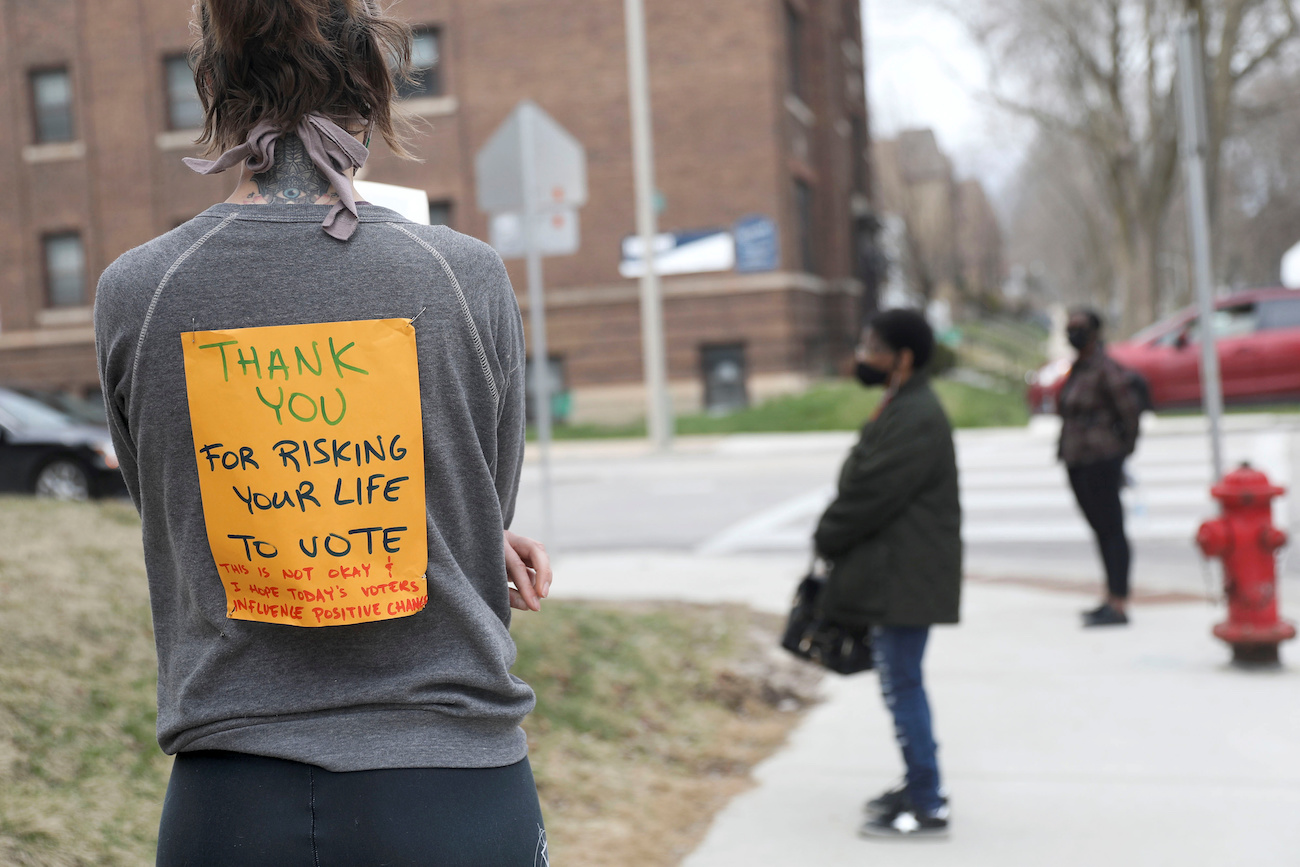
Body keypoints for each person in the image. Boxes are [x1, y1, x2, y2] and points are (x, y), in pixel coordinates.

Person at [93, 2, 553, 863]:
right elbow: (489, 492)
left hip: (230, 795)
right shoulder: (463, 278)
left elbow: (172, 507)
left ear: (215, 91)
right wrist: (456, 533)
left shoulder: (139, 292)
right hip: (451, 786)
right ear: (374, 89)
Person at [813, 309, 962, 840]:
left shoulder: (917, 414)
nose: (863, 356)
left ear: (904, 358)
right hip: (900, 574)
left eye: (873, 347)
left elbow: (869, 491)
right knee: (901, 685)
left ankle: (928, 803)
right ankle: (919, 783)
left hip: (908, 579)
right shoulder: (903, 404)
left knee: (903, 686)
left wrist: (826, 535)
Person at [1059, 308, 1142, 628]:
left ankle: (1119, 602)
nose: (1072, 334)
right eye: (1069, 328)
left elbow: (1129, 413)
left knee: (1112, 531)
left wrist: (1122, 452)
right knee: (1100, 530)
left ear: (1094, 332)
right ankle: (1109, 596)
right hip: (1076, 459)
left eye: (1078, 328)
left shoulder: (1106, 369)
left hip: (1101, 459)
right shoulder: (1078, 368)